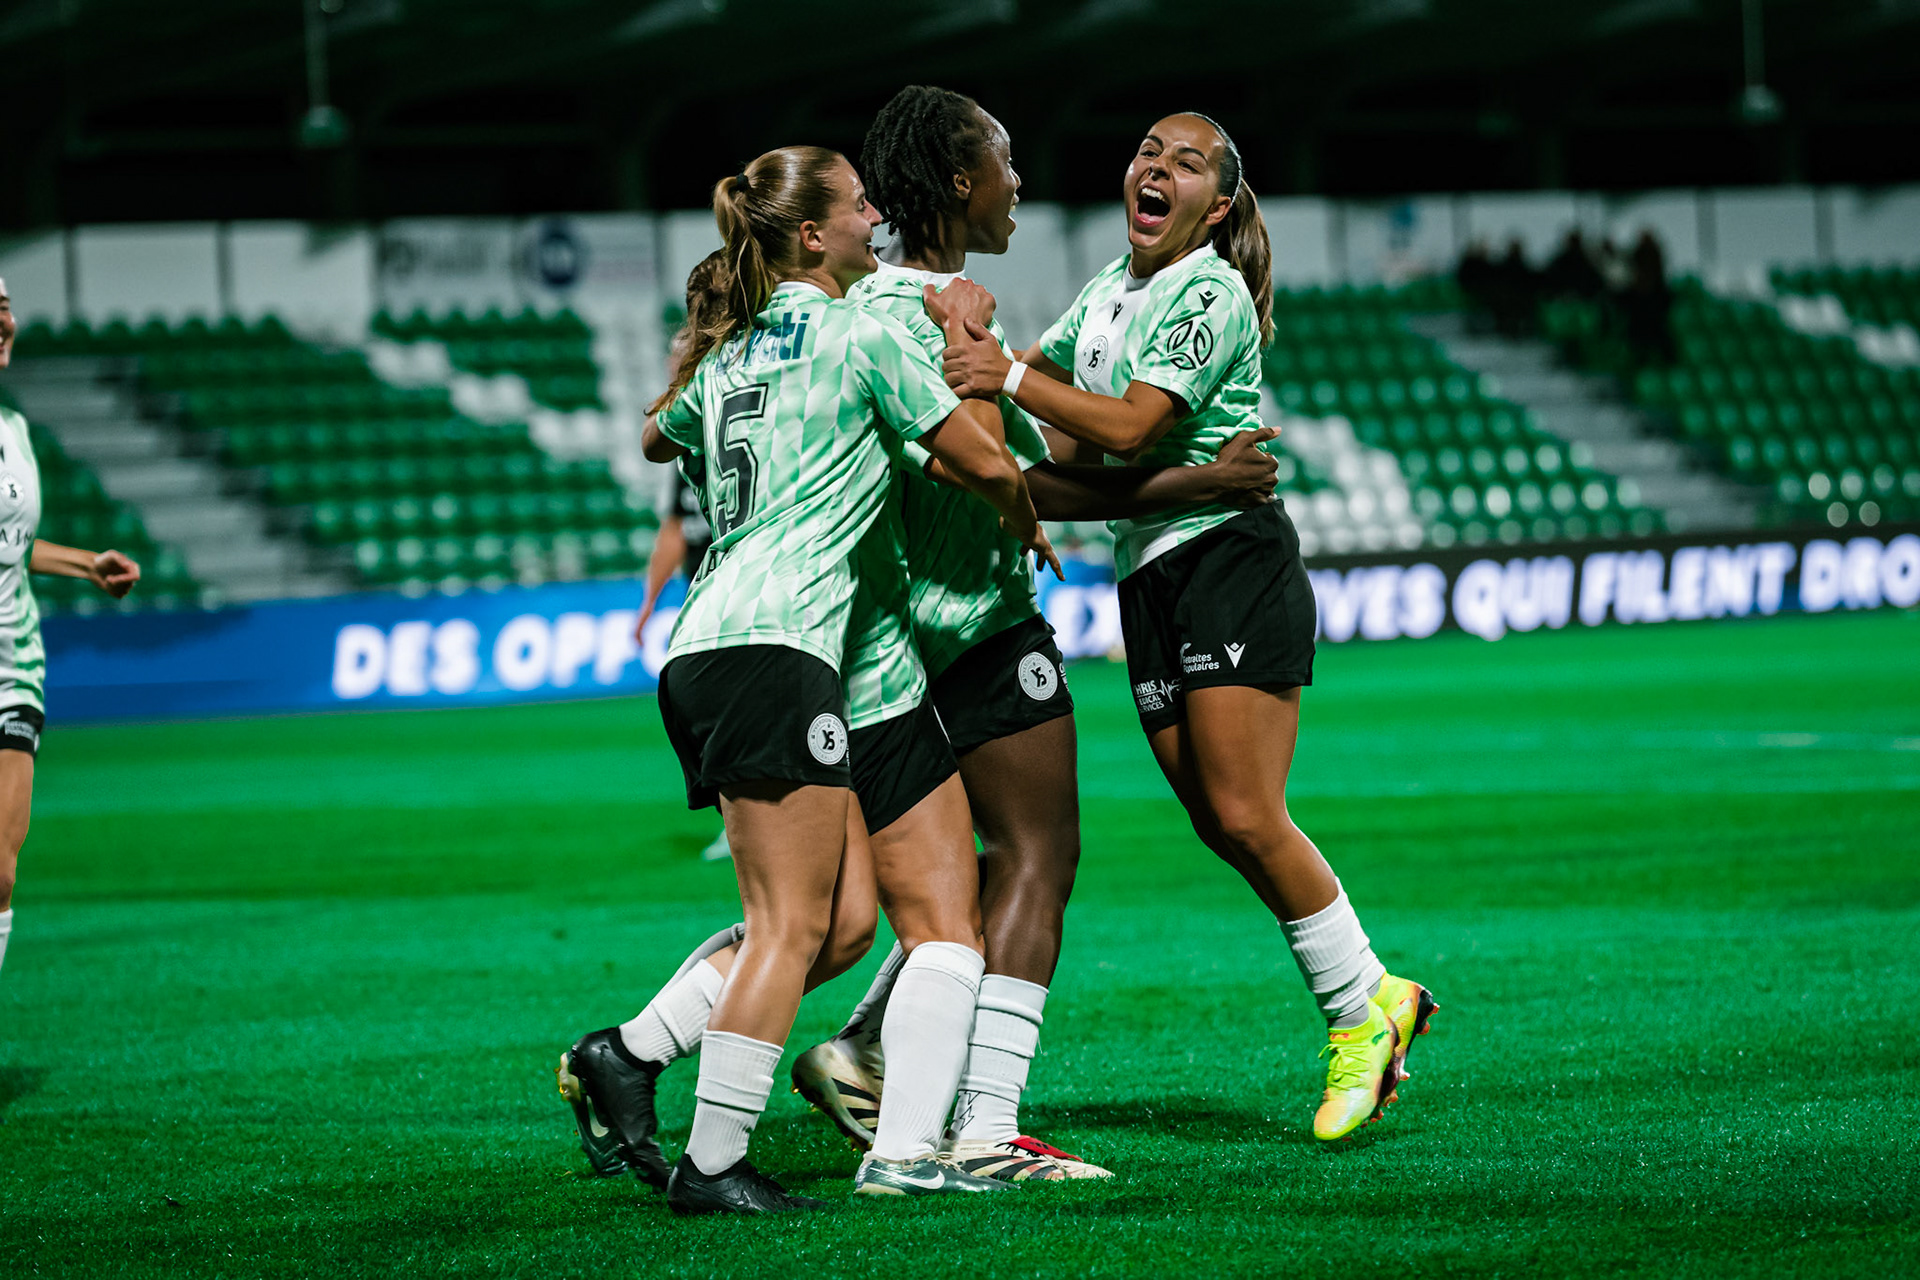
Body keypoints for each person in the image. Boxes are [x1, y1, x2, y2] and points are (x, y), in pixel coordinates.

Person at [790, 84, 1282, 1182]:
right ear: (963, 183)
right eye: (1005, 163)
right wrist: (1213, 479)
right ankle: (984, 1127)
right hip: (973, 623)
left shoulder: (858, 306)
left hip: (876, 645)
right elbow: (1014, 479)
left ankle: (832, 1051)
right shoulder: (943, 316)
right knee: (1035, 856)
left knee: (928, 890)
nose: (1022, 182)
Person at [560, 145, 1053, 1215]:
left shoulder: (732, 354)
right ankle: (715, 1159)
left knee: (839, 923)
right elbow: (970, 453)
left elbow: (660, 433)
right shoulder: (859, 328)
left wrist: (709, 331)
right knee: (792, 922)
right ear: (818, 234)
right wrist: (1018, 498)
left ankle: (628, 1055)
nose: (877, 211)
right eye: (856, 201)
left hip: (731, 643)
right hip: (778, 646)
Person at [940, 113, 1437, 1142]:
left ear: (1217, 205)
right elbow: (1057, 433)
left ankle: (1361, 1014)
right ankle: (1376, 996)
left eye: (1189, 162)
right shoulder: (1108, 294)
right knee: (1218, 817)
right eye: (1148, 153)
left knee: (1249, 810)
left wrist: (1005, 379)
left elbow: (1121, 426)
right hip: (1153, 571)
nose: (1158, 169)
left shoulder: (1204, 288)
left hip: (1228, 559)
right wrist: (1001, 427)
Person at [0, 277, 142, 979]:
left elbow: (13, 545)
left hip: (11, 666)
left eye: (4, 309)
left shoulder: (15, 433)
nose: (3, 323)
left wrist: (88, 564)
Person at [638, 255, 730, 862]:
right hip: (711, 594)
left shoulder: (700, 411)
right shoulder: (690, 429)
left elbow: (651, 437)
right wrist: (648, 605)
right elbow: (675, 527)